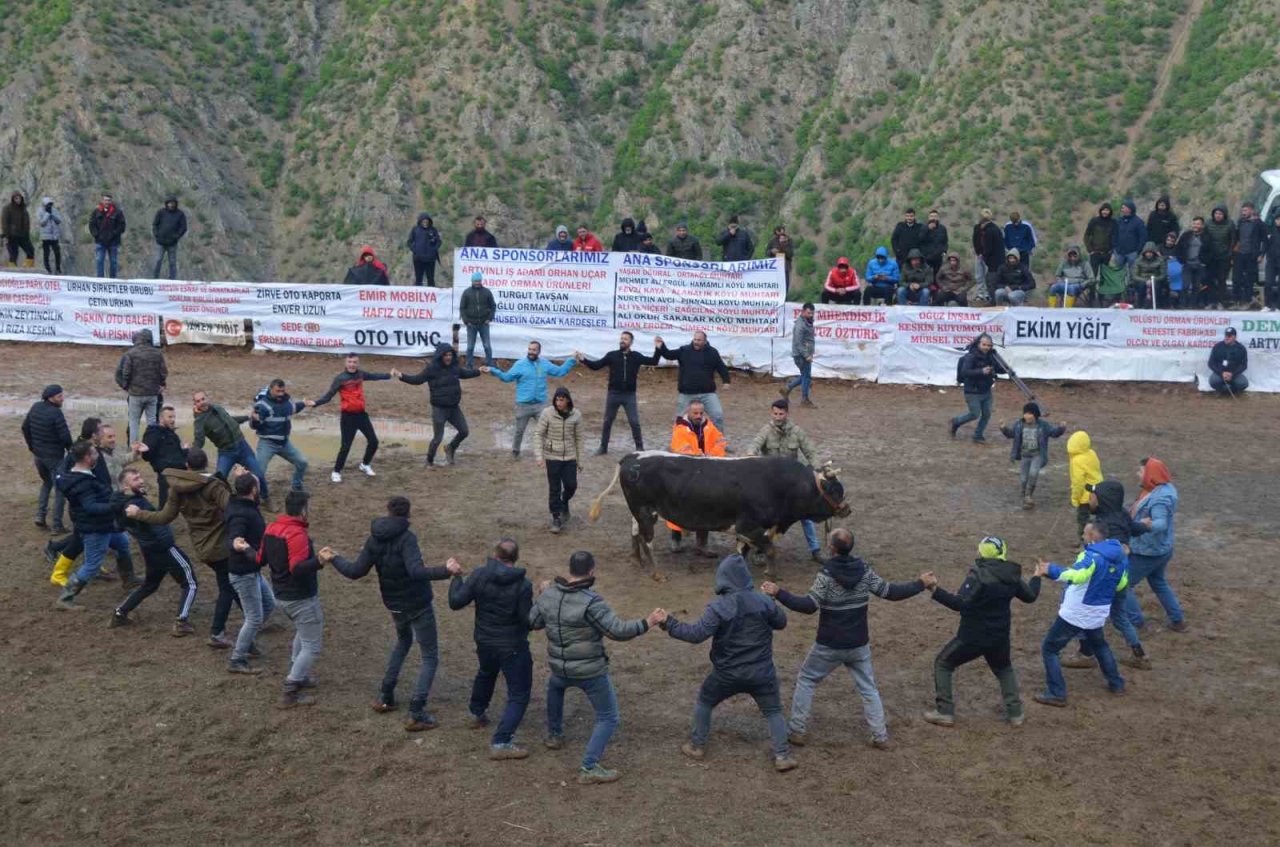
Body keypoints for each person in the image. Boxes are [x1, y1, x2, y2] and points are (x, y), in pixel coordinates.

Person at [761, 528, 928, 748]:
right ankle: (880, 736)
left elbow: (809, 606)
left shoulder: (826, 575)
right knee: (869, 688)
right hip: (859, 643)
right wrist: (921, 583)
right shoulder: (865, 571)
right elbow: (891, 592)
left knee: (807, 679)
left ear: (831, 548)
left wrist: (778, 592)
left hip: (829, 644)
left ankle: (797, 731)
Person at [529, 550, 661, 784]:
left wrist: (542, 595)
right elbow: (618, 631)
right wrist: (647, 622)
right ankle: (589, 767)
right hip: (589, 671)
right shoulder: (592, 602)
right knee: (608, 716)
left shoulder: (549, 594)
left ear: (570, 570)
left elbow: (534, 622)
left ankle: (554, 735)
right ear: (591, 572)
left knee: (556, 687)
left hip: (560, 666)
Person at [330, 496, 462, 728]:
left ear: (388, 512)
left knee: (403, 641)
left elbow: (355, 571)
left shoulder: (374, 539)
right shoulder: (407, 539)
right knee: (430, 656)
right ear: (408, 515)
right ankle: (416, 711)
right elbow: (416, 571)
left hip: (393, 603)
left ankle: (385, 696)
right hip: (417, 604)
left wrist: (334, 558)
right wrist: (446, 570)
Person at [663, 554, 795, 772]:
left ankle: (697, 746)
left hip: (727, 674)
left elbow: (696, 634)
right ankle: (782, 756)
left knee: (705, 701)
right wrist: (769, 603)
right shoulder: (763, 601)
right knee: (773, 711)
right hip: (762, 673)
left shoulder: (718, 607)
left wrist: (668, 622)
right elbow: (781, 622)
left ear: (722, 578)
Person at [126, 448, 243, 648]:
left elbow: (163, 517)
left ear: (187, 466)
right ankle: (218, 632)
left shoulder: (176, 488)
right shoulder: (214, 487)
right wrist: (241, 483)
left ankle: (254, 617)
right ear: (206, 463)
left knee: (232, 583)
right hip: (222, 546)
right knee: (228, 587)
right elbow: (234, 508)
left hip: (202, 547)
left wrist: (139, 513)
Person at [922, 537, 1039, 728]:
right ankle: (1015, 713)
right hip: (1000, 636)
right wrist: (1036, 576)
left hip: (972, 637)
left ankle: (944, 711)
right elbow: (1030, 596)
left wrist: (934, 589)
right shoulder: (1012, 575)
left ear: (981, 553)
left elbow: (959, 603)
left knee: (943, 663)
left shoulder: (978, 575)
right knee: (1004, 669)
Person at [448, 538, 535, 759]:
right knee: (519, 693)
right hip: (512, 645)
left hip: (485, 641)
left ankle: (476, 712)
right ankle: (502, 742)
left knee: (486, 672)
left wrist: (456, 576)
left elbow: (456, 602)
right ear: (515, 559)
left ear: (495, 555)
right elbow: (529, 621)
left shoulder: (479, 575)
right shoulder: (523, 586)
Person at [1032, 522, 1127, 707]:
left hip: (1076, 613)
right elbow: (1122, 584)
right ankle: (1116, 683)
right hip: (1099, 612)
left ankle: (1057, 693)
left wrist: (1050, 570)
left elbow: (1078, 575)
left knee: (1049, 648)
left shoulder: (1091, 556)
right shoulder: (1121, 558)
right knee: (1099, 645)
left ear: (1092, 537)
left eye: (1084, 533)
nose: (1082, 536)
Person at [111, 467, 199, 634]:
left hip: (149, 550)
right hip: (163, 549)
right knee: (190, 583)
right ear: (125, 487)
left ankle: (120, 613)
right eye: (136, 479)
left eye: (140, 476)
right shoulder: (139, 506)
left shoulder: (119, 504)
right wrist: (170, 545)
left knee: (149, 585)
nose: (141, 480)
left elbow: (117, 526)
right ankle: (181, 621)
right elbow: (158, 528)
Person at [262, 491, 328, 708]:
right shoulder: (297, 534)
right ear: (302, 510)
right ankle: (290, 689)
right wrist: (319, 561)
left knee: (303, 632)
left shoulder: (271, 528)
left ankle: (299, 674)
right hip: (300, 597)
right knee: (312, 645)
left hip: (281, 594)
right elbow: (297, 569)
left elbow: (259, 558)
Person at [749, 399, 821, 560]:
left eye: (781, 414)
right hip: (770, 486)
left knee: (805, 515)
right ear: (771, 413)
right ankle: (761, 550)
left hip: (792, 485)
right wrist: (750, 460)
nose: (778, 417)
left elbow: (811, 451)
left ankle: (815, 550)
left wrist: (816, 469)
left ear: (787, 414)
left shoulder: (797, 432)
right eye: (775, 414)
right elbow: (753, 447)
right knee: (763, 518)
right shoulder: (765, 431)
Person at [53, 442, 118, 610]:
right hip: (95, 528)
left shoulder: (76, 475)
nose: (98, 456)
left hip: (101, 524)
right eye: (95, 454)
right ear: (87, 458)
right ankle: (65, 599)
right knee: (91, 565)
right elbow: (90, 507)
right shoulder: (83, 482)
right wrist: (115, 506)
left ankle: (129, 578)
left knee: (123, 543)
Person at [313, 353, 397, 481]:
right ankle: (336, 471)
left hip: (361, 415)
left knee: (374, 442)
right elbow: (328, 396)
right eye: (350, 362)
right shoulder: (340, 378)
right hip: (348, 418)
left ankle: (365, 464)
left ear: (358, 363)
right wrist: (315, 403)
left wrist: (389, 375)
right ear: (346, 363)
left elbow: (374, 376)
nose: (352, 364)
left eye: (355, 362)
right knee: (346, 446)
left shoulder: (360, 374)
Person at [1124, 457, 1185, 633]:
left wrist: (1146, 524)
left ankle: (1137, 623)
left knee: (1122, 584)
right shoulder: (1164, 488)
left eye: (1141, 471)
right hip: (1163, 549)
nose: (1138, 474)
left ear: (1150, 474)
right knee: (1158, 582)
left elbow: (1161, 524)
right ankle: (1177, 620)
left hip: (1148, 552)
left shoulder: (1159, 498)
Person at [488, 340, 576, 459]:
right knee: (519, 430)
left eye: (534, 350)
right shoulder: (520, 364)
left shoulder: (544, 364)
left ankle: (548, 451)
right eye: (529, 349)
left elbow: (559, 372)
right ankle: (515, 451)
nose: (531, 352)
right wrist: (493, 370)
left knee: (546, 429)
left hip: (540, 404)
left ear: (539, 351)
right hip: (523, 405)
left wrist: (571, 360)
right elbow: (506, 378)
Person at [224, 473, 275, 673]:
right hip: (244, 572)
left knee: (269, 604)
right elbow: (233, 536)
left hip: (252, 570)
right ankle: (237, 659)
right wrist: (235, 543)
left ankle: (247, 640)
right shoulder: (241, 514)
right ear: (254, 490)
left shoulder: (240, 504)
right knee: (254, 617)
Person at [399, 343, 480, 467]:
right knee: (438, 438)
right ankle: (429, 461)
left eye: (450, 355)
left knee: (464, 431)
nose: (448, 357)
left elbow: (465, 374)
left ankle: (450, 448)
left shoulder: (454, 367)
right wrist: (401, 376)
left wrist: (479, 371)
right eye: (446, 355)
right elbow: (417, 380)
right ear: (440, 356)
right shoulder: (432, 369)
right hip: (439, 409)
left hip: (454, 408)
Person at [578, 331, 659, 455]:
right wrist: (584, 360)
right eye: (621, 338)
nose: (622, 340)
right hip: (613, 394)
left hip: (629, 395)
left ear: (631, 342)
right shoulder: (612, 355)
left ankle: (639, 447)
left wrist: (658, 348)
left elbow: (653, 361)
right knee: (607, 421)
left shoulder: (636, 356)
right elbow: (596, 366)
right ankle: (603, 447)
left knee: (634, 421)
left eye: (625, 339)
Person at [666, 400, 727, 556]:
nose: (699, 416)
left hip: (704, 473)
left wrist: (710, 456)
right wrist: (701, 456)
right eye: (696, 413)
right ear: (689, 412)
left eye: (701, 413)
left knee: (705, 507)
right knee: (678, 506)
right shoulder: (680, 428)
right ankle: (676, 538)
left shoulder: (708, 426)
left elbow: (720, 442)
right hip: (685, 474)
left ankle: (701, 543)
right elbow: (682, 450)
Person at [193, 390, 268, 498]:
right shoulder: (200, 421)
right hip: (226, 452)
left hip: (242, 447)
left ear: (208, 398)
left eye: (203, 399)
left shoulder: (218, 408)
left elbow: (231, 420)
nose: (202, 402)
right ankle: (220, 500)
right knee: (219, 479)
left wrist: (247, 417)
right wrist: (190, 452)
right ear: (195, 405)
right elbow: (199, 441)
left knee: (259, 474)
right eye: (198, 401)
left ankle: (266, 498)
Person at [657, 331, 731, 434]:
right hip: (687, 393)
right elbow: (668, 355)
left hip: (708, 393)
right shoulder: (684, 350)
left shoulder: (712, 352)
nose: (696, 342)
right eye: (695, 339)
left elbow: (721, 367)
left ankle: (719, 444)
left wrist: (726, 381)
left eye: (699, 340)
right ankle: (678, 443)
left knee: (717, 415)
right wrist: (661, 346)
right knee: (680, 419)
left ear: (705, 341)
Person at [252, 379, 314, 496]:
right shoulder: (262, 405)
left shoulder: (287, 401)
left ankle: (297, 486)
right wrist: (254, 420)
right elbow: (254, 425)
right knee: (259, 472)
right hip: (267, 443)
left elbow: (293, 408)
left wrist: (304, 404)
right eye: (278, 391)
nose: (281, 393)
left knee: (302, 462)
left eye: (283, 390)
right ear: (271, 390)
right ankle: (257, 495)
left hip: (284, 443)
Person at [23, 383, 72, 533]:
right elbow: (64, 435)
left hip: (39, 456)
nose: (62, 399)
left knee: (46, 483)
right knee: (60, 490)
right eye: (59, 396)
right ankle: (57, 525)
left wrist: (32, 447)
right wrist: (71, 450)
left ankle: (40, 515)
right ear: (51, 398)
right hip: (54, 458)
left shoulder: (36, 406)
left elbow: (25, 428)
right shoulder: (56, 413)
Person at [534, 387, 583, 534]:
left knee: (571, 485)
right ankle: (556, 517)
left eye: (561, 400)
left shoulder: (576, 415)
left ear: (568, 400)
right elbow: (538, 434)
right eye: (556, 399)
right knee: (554, 488)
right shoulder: (547, 413)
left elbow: (579, 439)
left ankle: (565, 501)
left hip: (570, 457)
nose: (558, 403)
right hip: (552, 457)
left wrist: (580, 461)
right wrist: (539, 456)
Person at [999, 403, 1066, 509]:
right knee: (1023, 478)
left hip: (1037, 455)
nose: (1026, 416)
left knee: (1033, 473)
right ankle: (1024, 492)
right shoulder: (1019, 424)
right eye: (1025, 413)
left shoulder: (1043, 425)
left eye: (1029, 413)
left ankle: (1028, 496)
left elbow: (1054, 433)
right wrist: (1003, 429)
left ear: (1035, 415)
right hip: (1025, 455)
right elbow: (1011, 434)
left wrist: (1061, 428)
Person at [949, 333, 1006, 444]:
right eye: (984, 345)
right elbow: (965, 372)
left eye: (989, 345)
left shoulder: (991, 356)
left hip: (986, 390)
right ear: (978, 343)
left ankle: (978, 435)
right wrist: (981, 371)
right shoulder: (970, 356)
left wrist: (1006, 368)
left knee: (987, 414)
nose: (986, 348)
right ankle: (956, 421)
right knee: (974, 414)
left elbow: (999, 369)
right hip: (972, 391)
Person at [119, 328, 167, 445]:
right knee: (151, 423)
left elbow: (125, 373)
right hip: (152, 393)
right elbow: (163, 372)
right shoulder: (157, 354)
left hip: (135, 393)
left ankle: (133, 449)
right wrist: (161, 383)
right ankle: (151, 446)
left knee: (134, 422)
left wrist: (126, 386)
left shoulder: (130, 354)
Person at [139, 405, 186, 507]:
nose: (173, 420)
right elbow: (147, 456)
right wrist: (146, 451)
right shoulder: (153, 433)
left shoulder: (172, 434)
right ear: (161, 419)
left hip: (180, 471)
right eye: (169, 417)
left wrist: (185, 451)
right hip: (166, 474)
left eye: (174, 417)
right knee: (165, 505)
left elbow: (177, 454)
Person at [1067, 431, 1103, 541]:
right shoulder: (1092, 453)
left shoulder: (1076, 460)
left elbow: (1078, 482)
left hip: (1085, 497)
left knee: (1083, 520)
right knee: (1097, 519)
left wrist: (1075, 498)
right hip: (1099, 491)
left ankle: (1084, 543)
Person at [1176, 217, 1216, 309]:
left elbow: (1211, 251)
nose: (1195, 225)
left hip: (1200, 265)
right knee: (1185, 286)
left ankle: (1193, 305)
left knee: (1196, 287)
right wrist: (1181, 260)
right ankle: (1182, 305)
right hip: (1187, 264)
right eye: (1194, 223)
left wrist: (1205, 262)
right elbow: (1178, 248)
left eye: (1198, 224)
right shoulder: (1186, 235)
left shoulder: (1207, 236)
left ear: (1202, 225)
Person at [459, 271, 497, 368]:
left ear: (481, 281)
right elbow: (462, 308)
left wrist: (490, 318)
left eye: (479, 281)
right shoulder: (466, 292)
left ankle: (489, 364)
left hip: (484, 323)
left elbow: (493, 306)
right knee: (470, 347)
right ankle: (469, 365)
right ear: (472, 281)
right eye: (475, 281)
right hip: (471, 324)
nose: (477, 283)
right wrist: (466, 321)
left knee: (487, 346)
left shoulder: (487, 292)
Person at [1233, 203, 1267, 307]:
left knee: (1249, 279)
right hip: (1240, 254)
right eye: (1242, 211)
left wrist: (1261, 254)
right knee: (1236, 279)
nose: (1243, 213)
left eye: (1246, 211)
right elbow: (1237, 237)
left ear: (1252, 211)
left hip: (1252, 255)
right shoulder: (1240, 222)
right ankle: (1237, 301)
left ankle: (1248, 301)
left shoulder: (1259, 223)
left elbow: (1265, 240)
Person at [782, 304, 816, 407]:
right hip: (801, 355)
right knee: (806, 377)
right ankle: (804, 399)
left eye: (812, 313)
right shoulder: (800, 325)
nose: (810, 315)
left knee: (805, 376)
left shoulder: (806, 322)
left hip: (803, 354)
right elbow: (798, 342)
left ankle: (787, 388)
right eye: (808, 313)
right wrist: (806, 355)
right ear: (803, 312)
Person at [1204, 205, 1236, 308]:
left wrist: (1230, 253)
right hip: (1211, 256)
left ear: (1224, 215)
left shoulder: (1230, 224)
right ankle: (1211, 301)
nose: (1218, 216)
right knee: (1210, 279)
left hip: (1224, 256)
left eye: (1220, 214)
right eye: (1216, 213)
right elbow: (1205, 238)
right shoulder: (1208, 223)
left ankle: (1221, 302)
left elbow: (1233, 239)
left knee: (1222, 280)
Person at [88, 192, 126, 278]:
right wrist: (96, 235)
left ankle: (112, 280)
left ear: (111, 201)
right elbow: (91, 224)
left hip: (113, 242)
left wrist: (114, 234)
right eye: (105, 200)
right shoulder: (96, 212)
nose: (107, 202)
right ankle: (100, 280)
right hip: (100, 241)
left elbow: (122, 226)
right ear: (102, 200)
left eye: (109, 200)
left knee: (113, 262)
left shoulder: (117, 212)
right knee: (99, 260)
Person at [151, 196, 187, 279]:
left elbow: (183, 227)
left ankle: (172, 278)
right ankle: (155, 277)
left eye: (173, 203)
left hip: (172, 243)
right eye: (169, 203)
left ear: (175, 204)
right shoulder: (161, 212)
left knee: (172, 261)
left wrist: (176, 236)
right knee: (158, 260)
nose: (171, 205)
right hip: (161, 241)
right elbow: (155, 224)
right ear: (167, 203)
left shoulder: (180, 214)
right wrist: (156, 234)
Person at [972, 209, 1005, 296]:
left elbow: (991, 246)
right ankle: (980, 293)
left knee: (988, 276)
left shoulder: (993, 229)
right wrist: (978, 252)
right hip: (980, 254)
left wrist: (984, 255)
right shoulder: (977, 228)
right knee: (979, 275)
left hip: (990, 257)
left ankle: (987, 294)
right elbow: (975, 241)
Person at [1207, 327, 1248, 395]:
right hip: (1220, 373)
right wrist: (1221, 373)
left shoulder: (1241, 348)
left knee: (1243, 383)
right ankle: (1222, 390)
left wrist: (1233, 374)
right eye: (1226, 335)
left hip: (1234, 374)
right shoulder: (1218, 346)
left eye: (1229, 336)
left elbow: (1244, 365)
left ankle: (1231, 390)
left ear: (1235, 337)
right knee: (1213, 381)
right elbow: (1211, 363)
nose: (1226, 337)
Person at [1083, 202, 1118, 279]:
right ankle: (1091, 291)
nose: (1105, 212)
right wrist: (1089, 249)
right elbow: (1087, 235)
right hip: (1095, 252)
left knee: (1105, 275)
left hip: (1106, 253)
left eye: (1107, 210)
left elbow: (1115, 236)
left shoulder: (1113, 222)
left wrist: (1112, 249)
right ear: (1101, 210)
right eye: (1103, 210)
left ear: (1110, 212)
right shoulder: (1094, 221)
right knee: (1092, 275)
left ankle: (1103, 291)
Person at [1113, 199, 1147, 277]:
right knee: (1118, 273)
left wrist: (1138, 251)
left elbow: (1143, 237)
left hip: (1132, 253)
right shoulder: (1119, 221)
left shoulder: (1138, 222)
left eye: (1123, 207)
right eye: (1122, 208)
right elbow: (1114, 234)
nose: (1122, 209)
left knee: (1133, 273)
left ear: (1130, 209)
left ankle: (1132, 288)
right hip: (1119, 252)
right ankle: (1119, 288)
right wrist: (1115, 247)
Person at [406, 213, 442, 286]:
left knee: (431, 279)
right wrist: (415, 250)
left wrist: (434, 249)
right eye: (424, 222)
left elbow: (439, 241)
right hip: (418, 259)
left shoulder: (433, 230)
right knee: (418, 279)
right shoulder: (415, 229)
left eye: (427, 222)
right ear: (420, 221)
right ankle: (418, 295)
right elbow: (409, 242)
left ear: (429, 221)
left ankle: (432, 295)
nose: (425, 223)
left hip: (430, 259)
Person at [2, 191, 35, 267]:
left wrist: (27, 234)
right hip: (12, 235)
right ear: (13, 199)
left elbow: (27, 223)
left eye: (19, 198)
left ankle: (27, 268)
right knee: (13, 254)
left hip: (23, 235)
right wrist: (7, 236)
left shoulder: (24, 209)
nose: (18, 200)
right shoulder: (7, 208)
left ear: (21, 198)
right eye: (16, 198)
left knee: (31, 251)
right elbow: (4, 223)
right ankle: (12, 271)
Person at [1131, 241, 1167, 308]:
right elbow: (1134, 275)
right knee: (1141, 286)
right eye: (1147, 252)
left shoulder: (1160, 260)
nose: (1149, 254)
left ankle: (1157, 305)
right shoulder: (1138, 261)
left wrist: (1153, 280)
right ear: (1144, 252)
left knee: (1157, 286)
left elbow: (1163, 275)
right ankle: (1140, 305)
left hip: (1155, 280)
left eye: (1151, 252)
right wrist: (1145, 281)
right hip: (1142, 280)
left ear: (1154, 253)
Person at [37, 196, 64, 274]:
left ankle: (58, 268)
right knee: (46, 253)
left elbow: (59, 220)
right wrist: (47, 214)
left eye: (50, 204)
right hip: (45, 237)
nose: (49, 206)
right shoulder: (40, 211)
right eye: (48, 204)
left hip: (54, 236)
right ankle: (47, 269)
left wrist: (52, 215)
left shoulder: (54, 210)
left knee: (57, 252)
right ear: (44, 205)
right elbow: (42, 223)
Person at [765, 226, 795, 291]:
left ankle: (784, 297)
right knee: (776, 286)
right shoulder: (772, 241)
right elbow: (767, 252)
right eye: (779, 231)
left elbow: (791, 254)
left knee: (785, 285)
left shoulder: (789, 240)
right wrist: (772, 251)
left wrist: (783, 246)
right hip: (775, 266)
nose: (781, 233)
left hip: (785, 266)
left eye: (782, 231)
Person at [922, 210, 949, 276]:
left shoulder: (942, 228)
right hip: (926, 258)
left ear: (938, 218)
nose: (933, 218)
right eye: (931, 216)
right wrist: (928, 229)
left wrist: (944, 251)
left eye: (935, 216)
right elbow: (920, 239)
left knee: (937, 276)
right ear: (928, 218)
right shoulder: (923, 227)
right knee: (927, 275)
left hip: (938, 257)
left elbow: (945, 241)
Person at [1265, 210, 1280, 312]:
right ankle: (1268, 305)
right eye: (1277, 219)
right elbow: (1266, 244)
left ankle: (1278, 306)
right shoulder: (1271, 230)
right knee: (1268, 283)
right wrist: (1262, 255)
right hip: (1271, 261)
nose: (1278, 221)